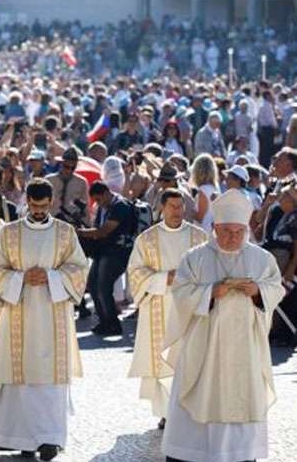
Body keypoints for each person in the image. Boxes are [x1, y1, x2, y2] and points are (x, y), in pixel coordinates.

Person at [162, 190, 285, 462]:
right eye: (227, 231)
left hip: (246, 347)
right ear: (215, 228)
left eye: (239, 232)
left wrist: (258, 291)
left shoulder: (262, 258)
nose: (233, 237)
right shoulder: (195, 257)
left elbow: (276, 288)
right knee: (201, 395)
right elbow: (180, 293)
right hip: (204, 346)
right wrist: (210, 293)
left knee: (242, 398)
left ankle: (239, 455)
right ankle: (192, 454)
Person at [0, 178, 88, 461]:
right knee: (19, 378)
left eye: (43, 206)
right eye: (34, 205)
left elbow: (79, 269)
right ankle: (21, 439)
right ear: (27, 202)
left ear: (51, 202)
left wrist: (52, 277)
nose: (39, 211)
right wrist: (20, 278)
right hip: (18, 312)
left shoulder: (65, 233)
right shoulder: (9, 233)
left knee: (49, 379)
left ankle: (50, 439)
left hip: (54, 316)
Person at [125, 189, 206, 429]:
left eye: (180, 206)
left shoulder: (199, 237)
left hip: (191, 310)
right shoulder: (147, 239)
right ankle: (166, 413)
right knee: (163, 360)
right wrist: (164, 278)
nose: (177, 211)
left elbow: (212, 268)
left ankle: (191, 411)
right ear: (162, 207)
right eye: (172, 206)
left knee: (188, 359)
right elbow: (135, 273)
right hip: (159, 307)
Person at [78, 181, 137, 336]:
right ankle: (104, 321)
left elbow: (104, 231)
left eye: (99, 199)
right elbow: (98, 228)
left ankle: (113, 324)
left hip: (118, 253)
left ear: (106, 193)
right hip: (103, 252)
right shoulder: (103, 207)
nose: (98, 203)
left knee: (103, 287)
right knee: (92, 285)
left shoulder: (120, 206)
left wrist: (81, 233)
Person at [47, 147, 89, 225]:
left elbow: (86, 206)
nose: (69, 170)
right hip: (51, 221)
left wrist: (87, 225)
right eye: (66, 166)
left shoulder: (81, 182)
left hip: (71, 222)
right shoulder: (49, 180)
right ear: (61, 163)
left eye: (73, 168)